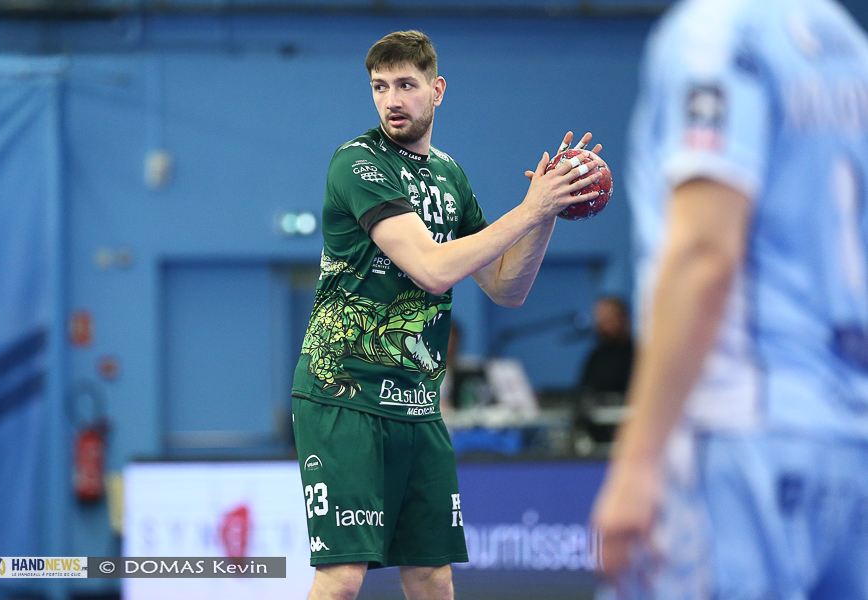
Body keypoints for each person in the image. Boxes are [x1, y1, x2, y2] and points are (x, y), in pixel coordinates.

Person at [291, 30, 605, 600]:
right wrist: (527, 207)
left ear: (436, 91)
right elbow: (433, 270)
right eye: (380, 87)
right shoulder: (357, 164)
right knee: (341, 578)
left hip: (418, 405)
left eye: (406, 85)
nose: (392, 100)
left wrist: (546, 213)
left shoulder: (450, 177)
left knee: (433, 576)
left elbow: (507, 287)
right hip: (344, 396)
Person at [592, 1, 868, 599]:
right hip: (846, 435)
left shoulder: (714, 36)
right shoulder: (847, 44)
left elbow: (704, 252)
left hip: (738, 437)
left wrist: (638, 461)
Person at [579, 296, 634, 394]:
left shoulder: (639, 356)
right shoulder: (596, 356)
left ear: (624, 319)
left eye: (608, 319)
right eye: (600, 320)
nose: (602, 325)